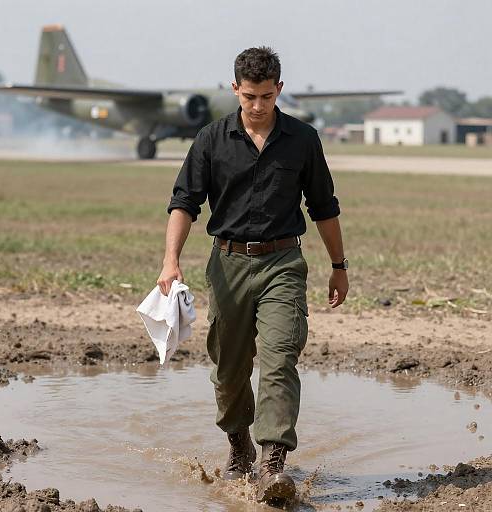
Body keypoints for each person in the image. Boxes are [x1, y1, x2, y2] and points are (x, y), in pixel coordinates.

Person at [157, 46, 349, 504]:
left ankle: (273, 463)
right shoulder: (210, 139)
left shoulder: (303, 140)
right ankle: (239, 445)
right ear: (235, 90)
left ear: (279, 89)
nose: (258, 106)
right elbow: (184, 202)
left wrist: (339, 267)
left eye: (266, 95)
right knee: (229, 370)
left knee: (280, 358)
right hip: (227, 265)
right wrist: (171, 259)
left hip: (283, 263)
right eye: (249, 97)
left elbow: (324, 207)